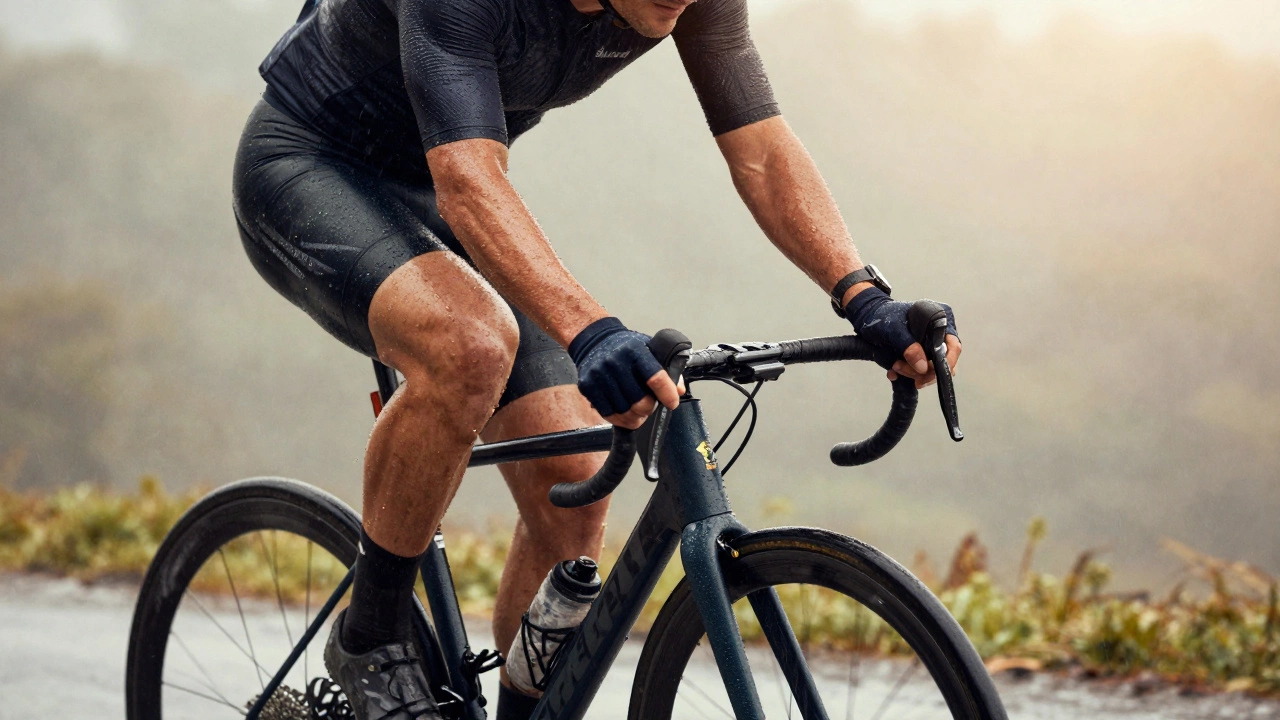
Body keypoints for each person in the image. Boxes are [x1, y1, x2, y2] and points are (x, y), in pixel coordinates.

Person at [232, 0, 961, 718]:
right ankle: (369, 636)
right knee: (470, 345)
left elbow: (762, 152)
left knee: (573, 485)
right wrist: (593, 333)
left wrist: (862, 294)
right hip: (310, 167)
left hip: (440, 192)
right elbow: (469, 180)